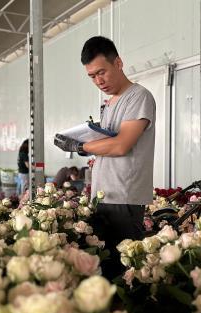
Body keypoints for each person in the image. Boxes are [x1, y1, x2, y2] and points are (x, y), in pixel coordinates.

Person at [54, 36, 156, 279]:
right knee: (105, 267)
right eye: (92, 76)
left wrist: (82, 147)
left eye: (102, 72)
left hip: (124, 197)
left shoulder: (138, 97)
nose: (98, 81)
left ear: (118, 63)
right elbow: (107, 143)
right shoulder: (109, 104)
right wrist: (86, 142)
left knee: (123, 272)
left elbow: (121, 145)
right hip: (103, 196)